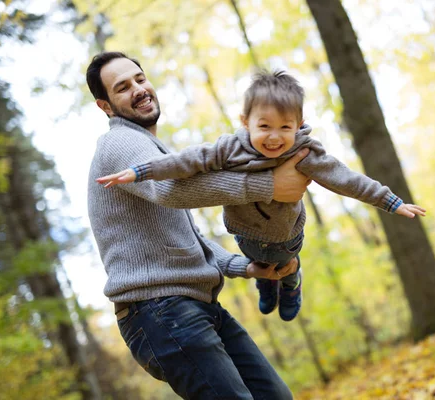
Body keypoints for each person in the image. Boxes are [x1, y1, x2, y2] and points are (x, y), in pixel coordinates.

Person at [96, 70, 427, 323]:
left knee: (282, 264)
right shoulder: (229, 148)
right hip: (244, 236)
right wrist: (141, 171)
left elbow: (347, 180)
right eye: (265, 126)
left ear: (299, 125)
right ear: (246, 122)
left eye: (286, 128)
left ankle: (292, 279)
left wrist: (391, 202)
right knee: (261, 268)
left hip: (285, 238)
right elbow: (188, 161)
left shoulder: (304, 153)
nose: (274, 137)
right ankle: (266, 283)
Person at [86, 51, 310, 400]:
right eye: (123, 87)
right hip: (160, 311)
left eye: (140, 79)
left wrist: (245, 267)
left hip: (196, 306)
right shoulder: (119, 142)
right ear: (106, 106)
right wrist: (267, 185)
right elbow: (170, 191)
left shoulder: (151, 147)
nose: (139, 89)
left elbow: (189, 238)